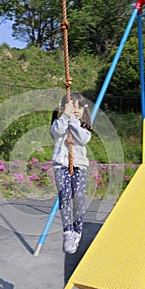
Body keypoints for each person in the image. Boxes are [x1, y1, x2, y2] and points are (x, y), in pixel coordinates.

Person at [51, 92, 92, 254]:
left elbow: (83, 139)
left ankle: (77, 230)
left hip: (79, 166)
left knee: (79, 198)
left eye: (79, 107)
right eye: (72, 106)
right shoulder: (59, 123)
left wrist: (73, 120)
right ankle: (68, 233)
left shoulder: (83, 126)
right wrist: (66, 115)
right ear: (63, 108)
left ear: (84, 111)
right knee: (66, 196)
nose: (76, 109)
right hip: (62, 165)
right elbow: (57, 131)